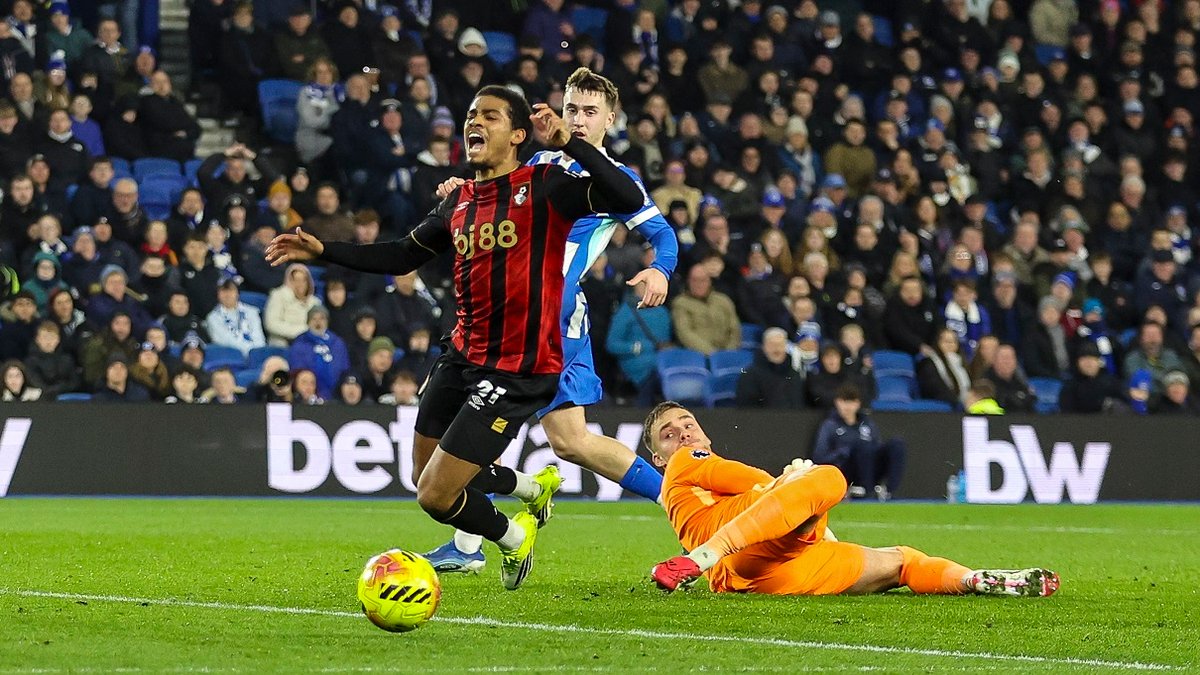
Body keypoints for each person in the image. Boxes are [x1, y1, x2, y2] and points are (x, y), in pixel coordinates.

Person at [265, 85, 645, 590]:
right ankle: (525, 499)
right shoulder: (460, 200)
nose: (475, 123)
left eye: (490, 116)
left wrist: (569, 143)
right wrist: (324, 251)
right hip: (463, 356)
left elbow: (627, 198)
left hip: (517, 368)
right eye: (471, 115)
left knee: (435, 495)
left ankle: (510, 537)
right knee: (421, 475)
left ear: (518, 135)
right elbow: (403, 254)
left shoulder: (546, 187)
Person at [420, 68, 679, 574]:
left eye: (590, 112)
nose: (579, 120)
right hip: (510, 312)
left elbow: (663, 235)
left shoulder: (614, 179)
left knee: (561, 441)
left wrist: (660, 270)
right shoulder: (537, 163)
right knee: (554, 438)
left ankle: (678, 500)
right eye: (572, 109)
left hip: (553, 320)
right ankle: (473, 540)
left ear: (610, 119)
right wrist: (462, 190)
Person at [645, 401, 1060, 596]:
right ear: (658, 460)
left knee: (902, 561)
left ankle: (971, 579)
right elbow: (761, 481)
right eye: (669, 434)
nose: (683, 434)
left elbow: (771, 496)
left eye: (688, 423)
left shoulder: (690, 489)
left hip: (767, 576)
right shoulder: (684, 462)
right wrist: (791, 480)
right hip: (735, 551)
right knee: (828, 476)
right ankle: (702, 557)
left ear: (704, 430)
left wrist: (792, 494)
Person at [813, 384, 906, 500]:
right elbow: (819, 457)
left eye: (851, 402)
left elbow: (876, 446)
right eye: (843, 402)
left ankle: (889, 491)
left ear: (858, 403)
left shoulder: (867, 424)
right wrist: (843, 452)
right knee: (862, 445)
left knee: (897, 444)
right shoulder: (829, 426)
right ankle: (866, 491)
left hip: (870, 466)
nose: (847, 407)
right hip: (845, 469)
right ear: (837, 402)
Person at [205, 277, 266, 358]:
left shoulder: (252, 311)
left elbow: (259, 337)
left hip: (257, 354)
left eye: (231, 290)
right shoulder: (213, 318)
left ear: (237, 293)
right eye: (223, 291)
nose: (227, 294)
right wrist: (251, 352)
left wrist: (258, 353)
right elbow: (226, 341)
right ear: (217, 294)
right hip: (232, 356)